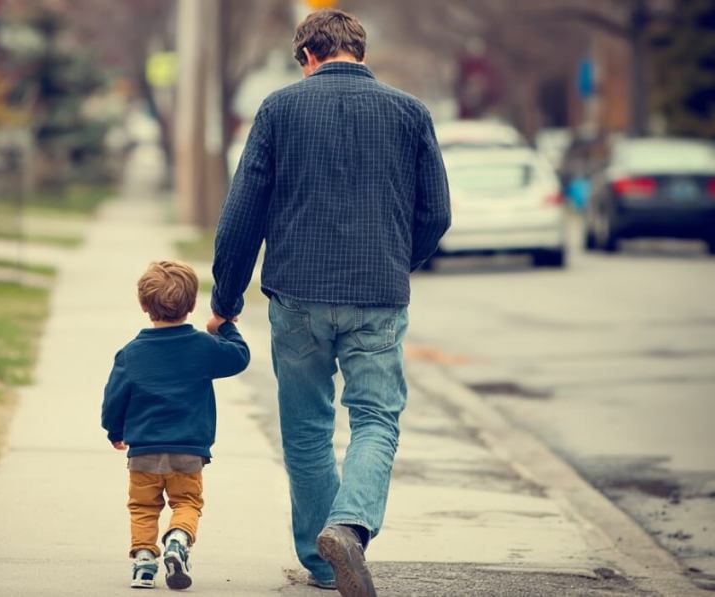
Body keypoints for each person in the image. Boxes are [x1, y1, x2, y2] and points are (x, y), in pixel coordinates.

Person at [208, 8, 451, 597]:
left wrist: (226, 297)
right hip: (378, 296)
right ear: (359, 53)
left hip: (297, 297)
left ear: (307, 58)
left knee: (306, 428)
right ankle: (349, 527)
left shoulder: (279, 109)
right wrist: (396, 262)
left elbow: (244, 212)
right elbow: (436, 214)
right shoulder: (411, 113)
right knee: (375, 419)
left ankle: (322, 563)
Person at [102, 260, 251, 590]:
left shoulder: (130, 354)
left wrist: (115, 430)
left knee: (143, 507)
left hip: (143, 452)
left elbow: (114, 398)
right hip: (188, 450)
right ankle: (178, 540)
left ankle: (143, 565)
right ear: (193, 304)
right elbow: (240, 356)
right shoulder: (203, 346)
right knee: (186, 504)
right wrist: (225, 326)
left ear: (144, 305)